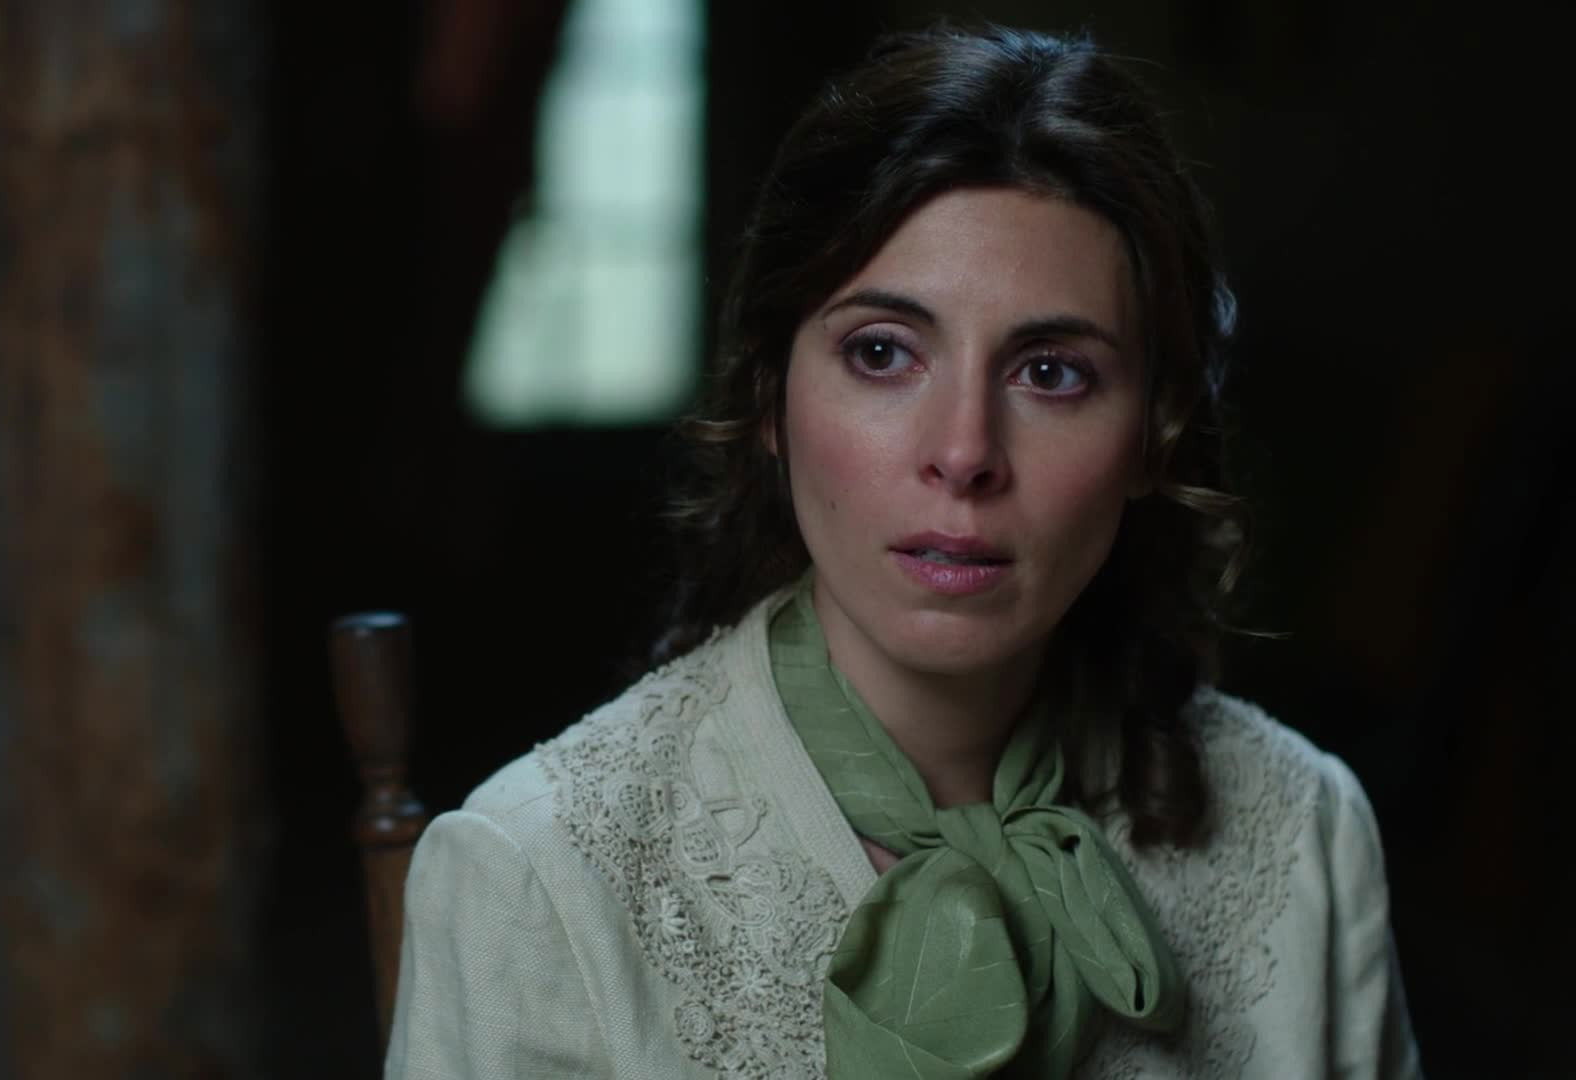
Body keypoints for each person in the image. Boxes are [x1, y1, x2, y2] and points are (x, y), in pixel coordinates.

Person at [386, 23, 1420, 1079]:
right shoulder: (541, 877)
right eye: (882, 353)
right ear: (770, 397)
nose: (963, 452)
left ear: (1155, 434)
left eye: (1051, 372)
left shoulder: (1304, 833)